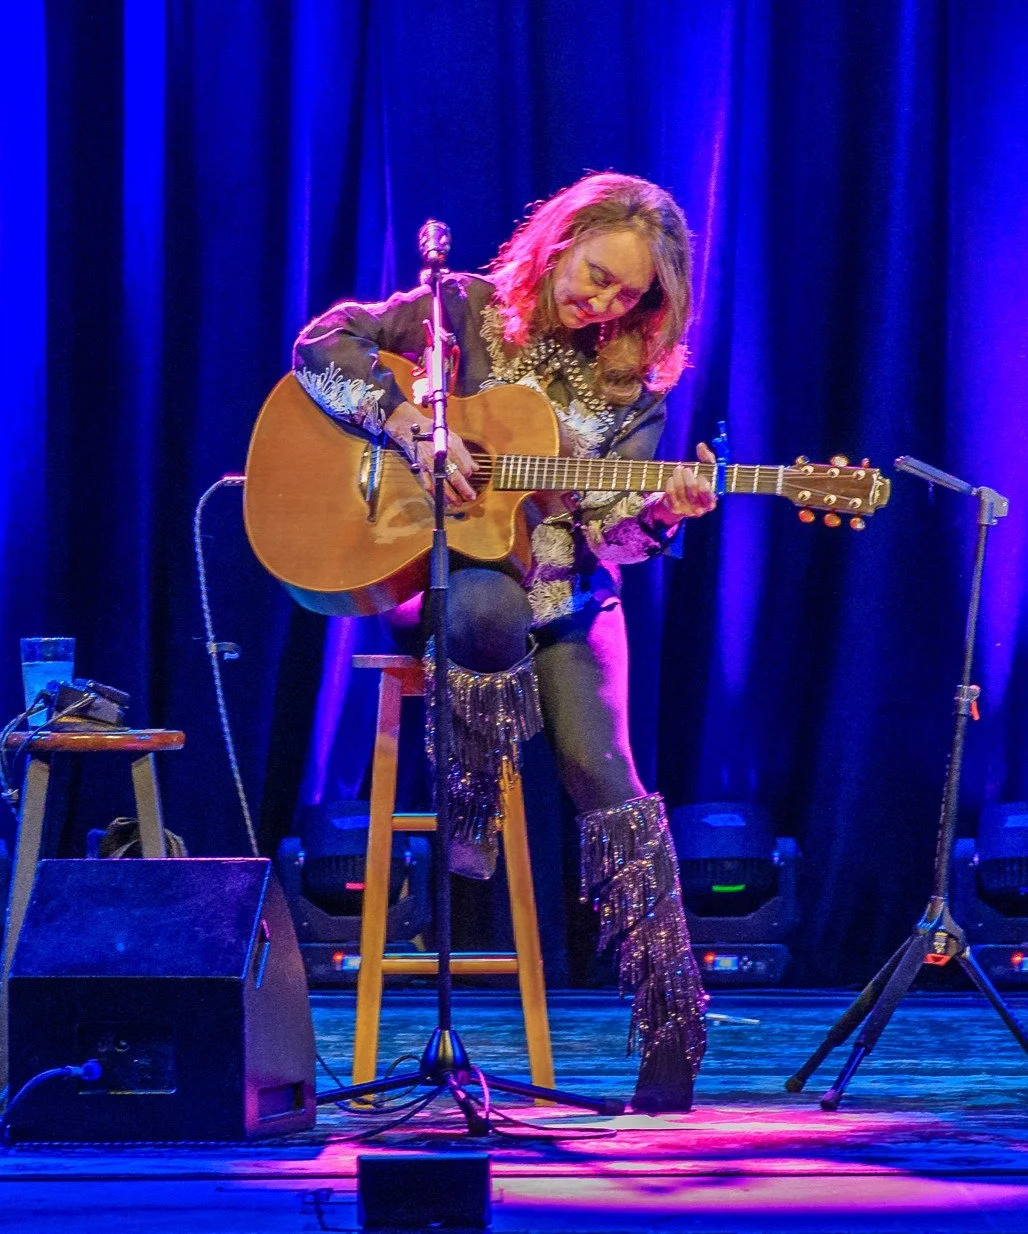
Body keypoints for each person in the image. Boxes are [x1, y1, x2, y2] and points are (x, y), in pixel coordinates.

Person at [293, 172, 718, 1112]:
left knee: (610, 779)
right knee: (482, 611)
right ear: (559, 241)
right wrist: (403, 420)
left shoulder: (630, 382)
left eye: (626, 294)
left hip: (566, 589)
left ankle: (670, 1039)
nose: (601, 302)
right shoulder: (461, 311)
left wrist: (661, 511)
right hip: (458, 573)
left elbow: (612, 525)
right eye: (595, 274)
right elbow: (322, 343)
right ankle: (472, 804)